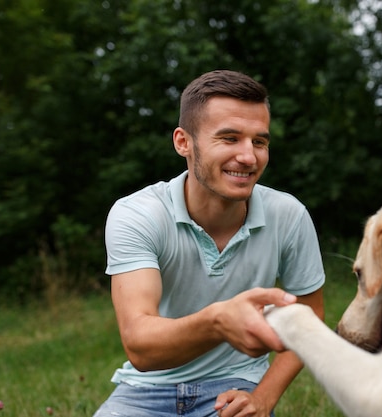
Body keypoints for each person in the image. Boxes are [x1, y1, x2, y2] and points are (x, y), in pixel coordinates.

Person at [94, 69, 326, 417]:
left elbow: (311, 315)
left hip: (236, 385)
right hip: (145, 390)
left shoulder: (288, 215)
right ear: (183, 142)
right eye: (230, 138)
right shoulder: (138, 214)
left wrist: (263, 398)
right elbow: (140, 346)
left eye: (259, 142)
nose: (249, 156)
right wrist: (219, 321)